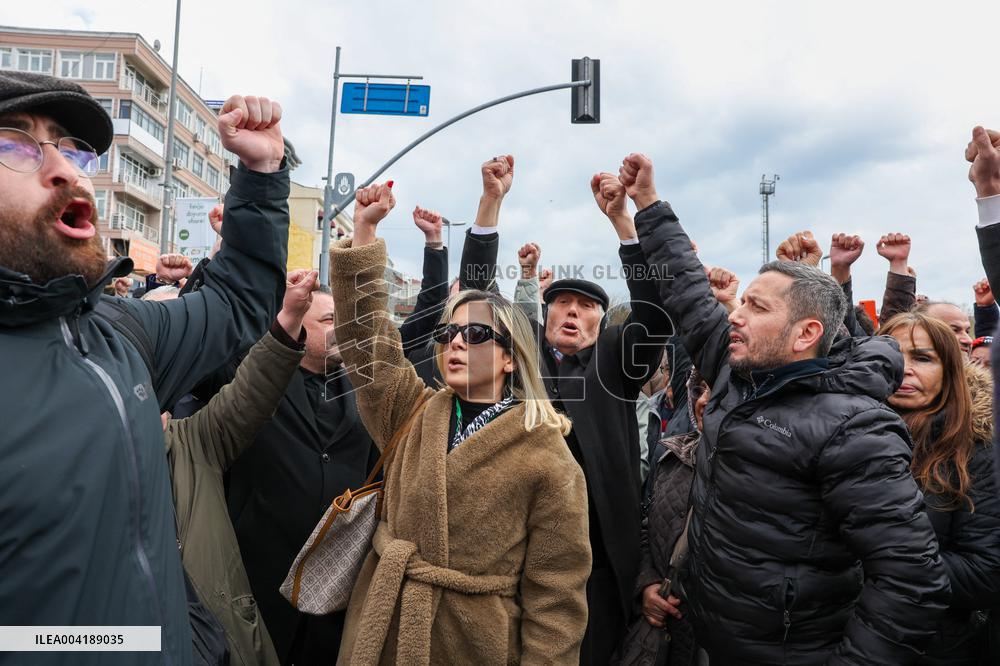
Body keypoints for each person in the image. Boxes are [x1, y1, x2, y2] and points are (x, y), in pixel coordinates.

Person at [0, 71, 289, 666]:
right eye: (15, 143)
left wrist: (261, 179)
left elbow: (236, 305)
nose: (67, 170)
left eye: (70, 147)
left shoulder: (115, 333)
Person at [625, 151, 950, 663]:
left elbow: (911, 578)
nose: (736, 315)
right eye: (742, 302)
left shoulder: (855, 428)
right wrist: (647, 202)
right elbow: (687, 293)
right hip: (710, 642)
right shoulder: (738, 369)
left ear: (806, 334)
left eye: (757, 307)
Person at [329, 181, 591, 664]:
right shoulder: (411, 412)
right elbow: (369, 344)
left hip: (474, 644)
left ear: (511, 357)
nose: (455, 343)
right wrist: (364, 233)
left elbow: (556, 598)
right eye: (449, 332)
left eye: (474, 334)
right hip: (383, 628)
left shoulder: (548, 455)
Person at [163, 269, 319, 666]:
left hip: (225, 645)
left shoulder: (193, 442)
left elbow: (250, 391)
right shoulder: (81, 457)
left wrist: (287, 321)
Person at [224, 282, 378, 665]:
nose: (341, 329)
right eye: (329, 320)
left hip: (334, 591)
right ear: (298, 326)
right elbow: (223, 329)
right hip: (262, 582)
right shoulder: (255, 382)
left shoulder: (364, 390)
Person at [878, 312, 1000, 664]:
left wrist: (876, 565)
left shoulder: (977, 451)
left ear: (950, 372)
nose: (904, 368)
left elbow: (986, 572)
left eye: (922, 357)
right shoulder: (843, 438)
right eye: (892, 354)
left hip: (932, 645)